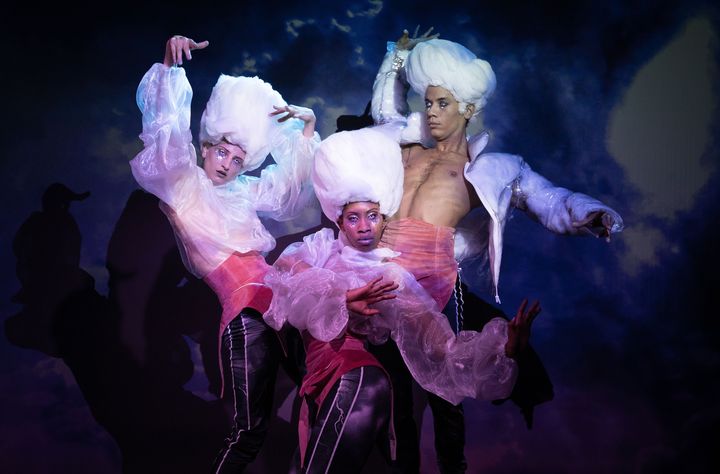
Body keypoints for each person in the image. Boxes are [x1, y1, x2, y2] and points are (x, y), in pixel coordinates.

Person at [368, 29, 625, 473]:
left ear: (468, 109)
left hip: (433, 283)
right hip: (383, 275)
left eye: (442, 103)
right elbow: (384, 112)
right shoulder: (408, 148)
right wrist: (397, 60)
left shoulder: (491, 168)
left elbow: (549, 199)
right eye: (427, 102)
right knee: (389, 392)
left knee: (444, 391)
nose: (430, 112)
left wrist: (589, 213)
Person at [263, 128, 541, 474]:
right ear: (339, 220)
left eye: (373, 216)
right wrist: (340, 298)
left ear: (384, 218)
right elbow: (283, 280)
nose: (365, 226)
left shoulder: (392, 277)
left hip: (354, 379)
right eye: (354, 217)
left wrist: (503, 350)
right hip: (316, 381)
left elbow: (444, 350)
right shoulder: (318, 248)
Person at [129, 35, 320, 473]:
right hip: (248, 315)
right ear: (206, 147)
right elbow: (165, 129)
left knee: (323, 389)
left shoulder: (244, 190)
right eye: (221, 153)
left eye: (237, 160)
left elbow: (290, 188)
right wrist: (170, 66)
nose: (227, 164)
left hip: (283, 302)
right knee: (249, 431)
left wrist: (306, 126)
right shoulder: (183, 184)